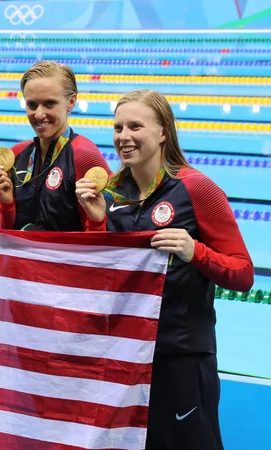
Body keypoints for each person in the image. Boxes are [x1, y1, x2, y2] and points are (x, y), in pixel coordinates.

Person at [76, 89, 254, 450]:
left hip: (181, 356)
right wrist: (96, 223)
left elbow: (244, 274)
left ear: (162, 133)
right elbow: (105, 275)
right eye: (118, 127)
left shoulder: (195, 188)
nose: (123, 137)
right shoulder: (111, 193)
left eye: (135, 126)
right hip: (126, 355)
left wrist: (196, 251)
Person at [0, 60, 110, 231]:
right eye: (32, 105)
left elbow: (104, 237)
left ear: (71, 102)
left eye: (49, 104)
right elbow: (5, 236)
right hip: (22, 257)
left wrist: (97, 222)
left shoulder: (83, 156)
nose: (39, 114)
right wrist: (7, 204)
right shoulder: (16, 155)